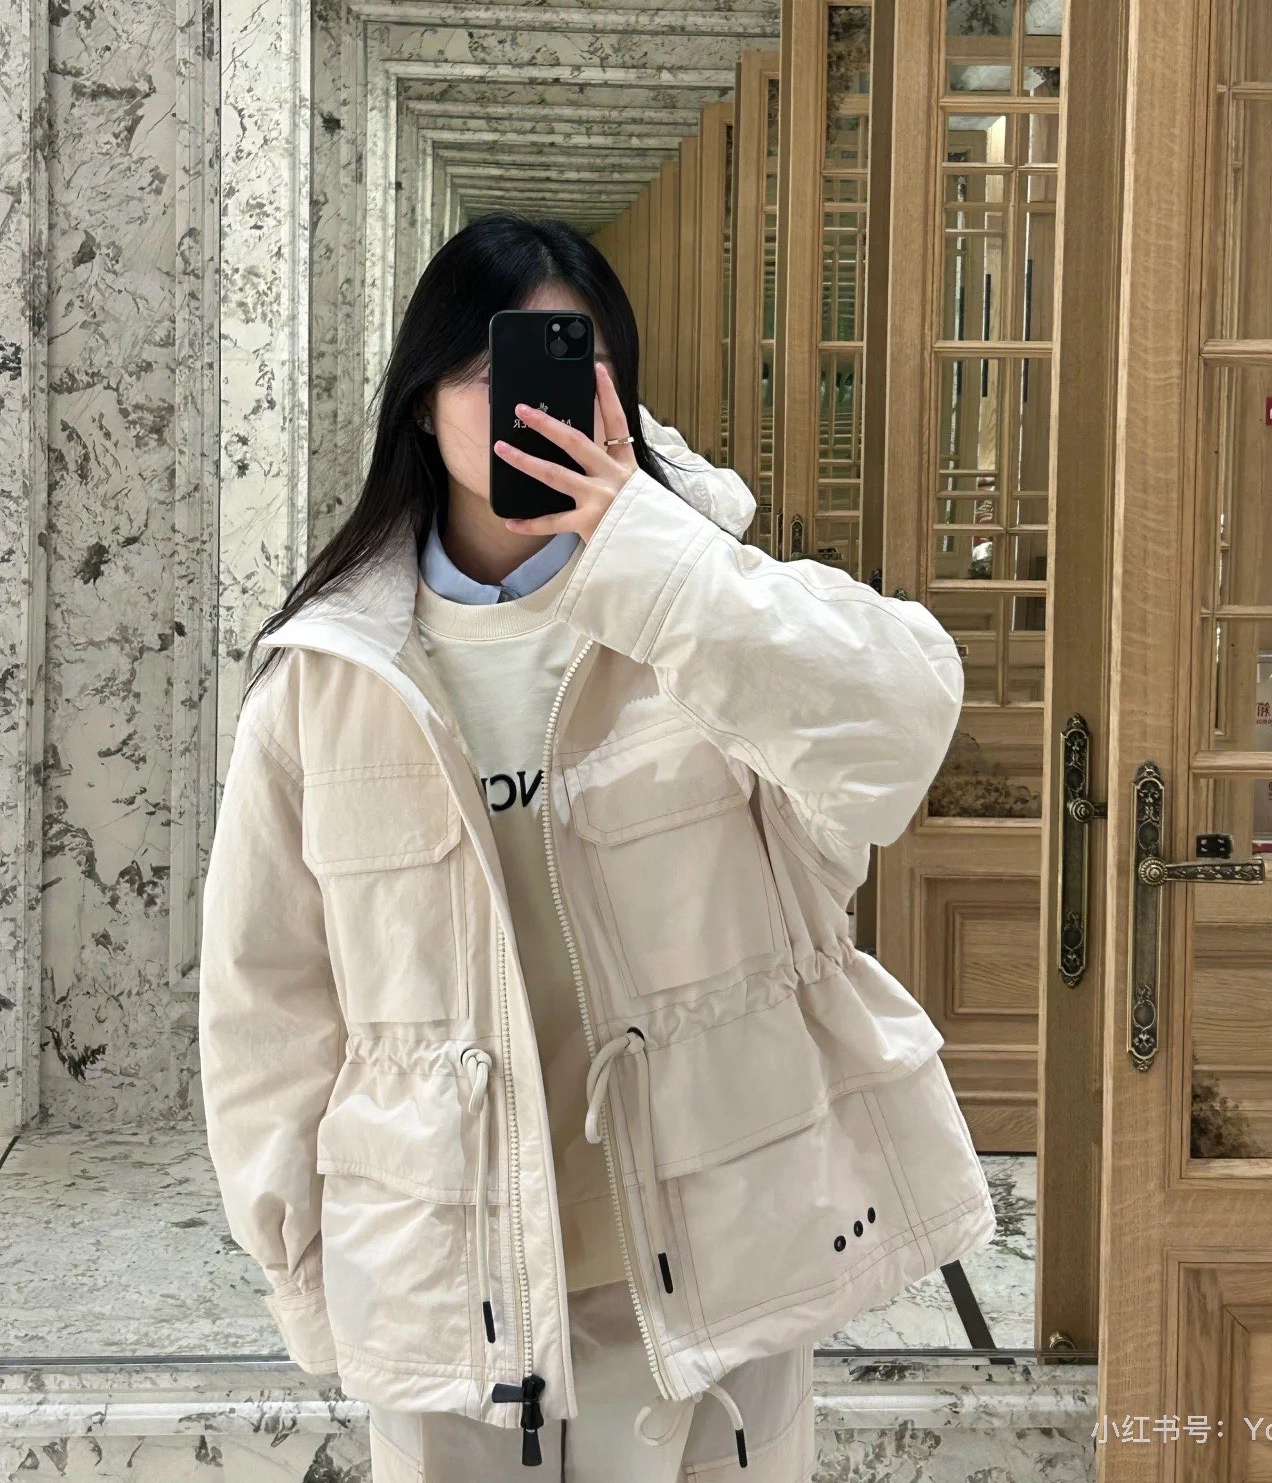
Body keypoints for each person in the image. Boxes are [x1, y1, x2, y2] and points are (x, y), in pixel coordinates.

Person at [198, 213, 996, 1482]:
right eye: (488, 369)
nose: (530, 403)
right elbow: (268, 1011)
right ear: (421, 405)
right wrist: (307, 1283)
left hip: (712, 1280)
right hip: (446, 1288)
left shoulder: (711, 619)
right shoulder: (327, 678)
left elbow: (900, 729)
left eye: (575, 364)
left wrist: (656, 558)